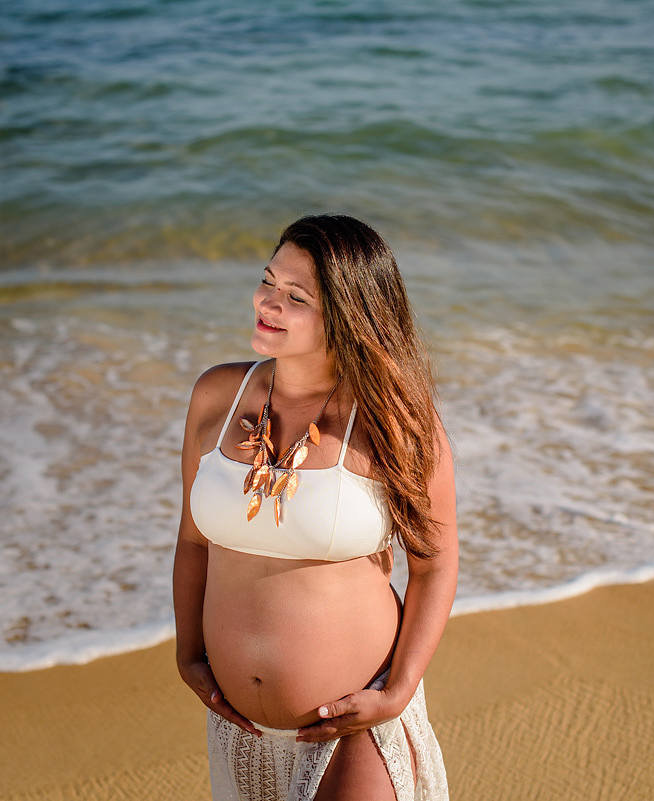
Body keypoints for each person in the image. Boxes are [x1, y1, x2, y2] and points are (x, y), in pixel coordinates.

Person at [173, 214, 458, 801]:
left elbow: (435, 562)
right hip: (242, 729)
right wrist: (188, 653)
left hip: (355, 721)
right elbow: (193, 541)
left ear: (349, 317)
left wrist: (398, 690)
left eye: (295, 297)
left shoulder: (393, 421)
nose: (267, 302)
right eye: (268, 281)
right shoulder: (215, 396)